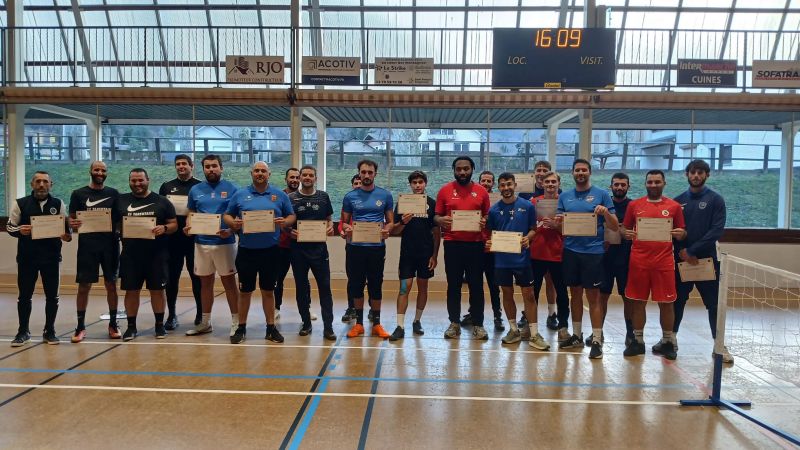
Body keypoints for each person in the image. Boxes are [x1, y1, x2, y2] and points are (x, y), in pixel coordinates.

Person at [660, 159, 733, 363]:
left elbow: (716, 231)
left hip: (706, 262)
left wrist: (692, 250)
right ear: (687, 174)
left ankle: (719, 346)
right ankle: (671, 340)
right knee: (677, 302)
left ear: (707, 175)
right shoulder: (677, 202)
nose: (696, 176)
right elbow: (670, 232)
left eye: (700, 172)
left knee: (714, 305)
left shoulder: (716, 200)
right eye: (693, 172)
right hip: (681, 261)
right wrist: (682, 252)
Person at [226, 162, 295, 344]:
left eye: (263, 171)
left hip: (271, 252)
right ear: (251, 173)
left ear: (269, 174)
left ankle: (271, 328)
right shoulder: (240, 194)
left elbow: (291, 216)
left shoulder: (279, 195)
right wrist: (233, 223)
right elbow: (227, 215)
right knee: (245, 292)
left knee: (268, 291)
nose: (260, 173)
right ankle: (241, 328)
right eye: (256, 170)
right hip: (246, 252)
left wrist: (285, 222)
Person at [556, 158, 618, 359]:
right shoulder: (565, 196)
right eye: (577, 170)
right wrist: (558, 222)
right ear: (572, 173)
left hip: (593, 254)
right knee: (575, 294)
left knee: (594, 297)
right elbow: (560, 227)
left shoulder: (602, 195)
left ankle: (597, 340)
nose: (580, 173)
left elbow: (614, 226)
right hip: (571, 252)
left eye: (584, 170)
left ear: (590, 172)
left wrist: (605, 213)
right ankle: (576, 336)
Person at [622, 170, 686, 360]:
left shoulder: (674, 206)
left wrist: (680, 234)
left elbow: (682, 232)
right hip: (639, 262)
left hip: (664, 262)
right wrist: (625, 233)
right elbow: (624, 228)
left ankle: (667, 341)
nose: (653, 185)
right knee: (638, 302)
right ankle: (638, 341)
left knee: (666, 303)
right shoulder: (634, 205)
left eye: (657, 182)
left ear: (664, 183)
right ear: (645, 184)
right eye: (650, 182)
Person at [8, 171, 71, 346]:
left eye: (45, 181)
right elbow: (10, 227)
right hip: (27, 258)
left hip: (51, 258)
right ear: (32, 184)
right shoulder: (20, 203)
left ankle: (49, 331)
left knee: (53, 297)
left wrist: (67, 236)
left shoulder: (58, 203)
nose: (41, 185)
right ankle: (23, 332)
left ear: (51, 184)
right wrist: (20, 230)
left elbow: (66, 230)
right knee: (24, 296)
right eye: (38, 181)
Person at [486, 173, 548, 350]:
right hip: (502, 261)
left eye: (509, 184)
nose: (506, 188)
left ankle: (534, 333)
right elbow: (491, 234)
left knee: (529, 295)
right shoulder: (493, 210)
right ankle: (513, 330)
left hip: (522, 260)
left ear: (514, 185)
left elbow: (533, 229)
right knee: (507, 294)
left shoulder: (527, 206)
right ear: (498, 187)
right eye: (502, 185)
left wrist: (528, 238)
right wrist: (490, 243)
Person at [117, 168, 178, 341]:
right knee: (131, 291)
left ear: (148, 180)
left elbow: (174, 224)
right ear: (129, 181)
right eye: (134, 180)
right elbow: (113, 223)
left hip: (156, 255)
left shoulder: (162, 201)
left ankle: (159, 325)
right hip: (130, 256)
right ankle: (131, 327)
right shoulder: (121, 201)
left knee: (157, 291)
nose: (137, 183)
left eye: (140, 180)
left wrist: (164, 228)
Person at [434, 156, 491, 340]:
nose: (462, 172)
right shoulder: (444, 190)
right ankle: (454, 323)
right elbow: (436, 216)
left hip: (476, 245)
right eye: (458, 169)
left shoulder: (481, 191)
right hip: (453, 245)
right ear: (454, 171)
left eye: (466, 168)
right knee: (454, 286)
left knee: (476, 286)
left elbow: (488, 216)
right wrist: (440, 220)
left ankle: (478, 324)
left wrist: (485, 221)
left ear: (472, 169)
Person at [183, 155, 240, 338]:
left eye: (214, 166)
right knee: (205, 284)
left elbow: (238, 216)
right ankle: (205, 322)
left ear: (221, 168)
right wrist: (189, 226)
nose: (211, 169)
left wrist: (230, 231)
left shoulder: (232, 189)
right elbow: (191, 212)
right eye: (207, 167)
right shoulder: (195, 190)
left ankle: (237, 322)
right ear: (203, 169)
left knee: (229, 284)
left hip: (225, 244)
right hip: (201, 244)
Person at [67, 161, 122, 342]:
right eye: (96, 169)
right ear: (90, 171)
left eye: (103, 170)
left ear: (107, 173)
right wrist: (71, 223)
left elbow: (120, 220)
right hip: (87, 246)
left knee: (111, 284)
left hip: (110, 246)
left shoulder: (114, 193)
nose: (100, 172)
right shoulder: (78, 194)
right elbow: (72, 219)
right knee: (84, 286)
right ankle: (80, 326)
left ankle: (113, 323)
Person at [340, 159, 394, 339]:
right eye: (363, 172)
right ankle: (359, 324)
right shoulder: (350, 196)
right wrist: (346, 228)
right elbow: (344, 223)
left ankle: (377, 324)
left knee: (375, 285)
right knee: (356, 285)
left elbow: (391, 222)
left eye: (370, 172)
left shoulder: (385, 195)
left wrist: (387, 230)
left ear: (375, 174)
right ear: (359, 173)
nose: (366, 175)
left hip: (376, 248)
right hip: (355, 248)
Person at [388, 171, 440, 341]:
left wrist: (434, 255)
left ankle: (417, 321)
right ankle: (400, 326)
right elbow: (394, 231)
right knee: (405, 288)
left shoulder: (432, 203)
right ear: (410, 185)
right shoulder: (403, 202)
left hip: (425, 254)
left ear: (425, 183)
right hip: (407, 254)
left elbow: (436, 232)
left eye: (420, 182)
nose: (417, 185)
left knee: (423, 287)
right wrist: (403, 221)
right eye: (414, 182)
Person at [288, 165, 336, 340]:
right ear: (300, 177)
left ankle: (328, 327)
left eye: (311, 175)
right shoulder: (290, 198)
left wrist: (330, 228)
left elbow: (329, 220)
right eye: (304, 175)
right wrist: (289, 231)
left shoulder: (323, 197)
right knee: (301, 288)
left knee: (325, 288)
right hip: (298, 251)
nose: (307, 177)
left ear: (315, 178)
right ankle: (306, 323)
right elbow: (285, 223)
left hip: (319, 251)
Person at [159, 154, 202, 329]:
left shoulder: (200, 186)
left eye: (184, 163)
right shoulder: (167, 186)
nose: (181, 166)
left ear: (192, 166)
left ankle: (200, 314)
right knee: (172, 278)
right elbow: (160, 211)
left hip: (193, 239)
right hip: (172, 241)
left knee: (196, 277)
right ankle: (172, 315)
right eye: (178, 164)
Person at [593, 172, 634, 348]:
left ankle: (630, 333)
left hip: (627, 259)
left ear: (628, 187)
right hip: (605, 259)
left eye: (623, 184)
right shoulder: (603, 206)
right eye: (616, 184)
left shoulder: (633, 206)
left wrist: (627, 232)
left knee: (628, 298)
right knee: (602, 297)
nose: (619, 187)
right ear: (611, 186)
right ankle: (598, 332)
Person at [530, 171, 570, 345]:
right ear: (542, 184)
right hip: (536, 253)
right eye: (547, 182)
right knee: (532, 292)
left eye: (554, 181)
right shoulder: (534, 202)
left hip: (558, 254)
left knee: (561, 292)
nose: (551, 184)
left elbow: (571, 229)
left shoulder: (565, 202)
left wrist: (556, 226)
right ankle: (530, 327)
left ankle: (563, 326)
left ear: (559, 184)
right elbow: (529, 226)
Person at [461, 170, 503, 331]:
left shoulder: (499, 203)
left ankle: (497, 316)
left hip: (493, 250)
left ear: (493, 184)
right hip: (475, 248)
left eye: (489, 181)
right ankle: (473, 313)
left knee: (494, 286)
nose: (486, 183)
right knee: (474, 285)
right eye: (483, 180)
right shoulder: (473, 199)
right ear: (478, 182)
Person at [519, 160, 559, 330]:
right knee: (531, 285)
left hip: (555, 247)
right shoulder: (526, 194)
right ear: (534, 173)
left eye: (545, 170)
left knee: (551, 283)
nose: (542, 173)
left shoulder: (559, 196)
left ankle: (552, 314)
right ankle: (527, 314)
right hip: (535, 245)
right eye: (539, 170)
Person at [274, 168, 299, 320]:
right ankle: (276, 307)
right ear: (286, 179)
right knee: (278, 278)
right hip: (281, 246)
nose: (294, 180)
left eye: (297, 177)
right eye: (292, 177)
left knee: (302, 279)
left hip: (300, 246)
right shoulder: (279, 197)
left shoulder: (304, 197)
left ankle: (307, 307)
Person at [339, 174, 362, 322]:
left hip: (371, 246)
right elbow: (343, 222)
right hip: (352, 246)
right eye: (355, 183)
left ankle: (372, 310)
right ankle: (351, 307)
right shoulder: (348, 200)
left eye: (360, 183)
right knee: (352, 278)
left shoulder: (373, 201)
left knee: (371, 279)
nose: (358, 185)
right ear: (352, 185)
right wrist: (342, 231)